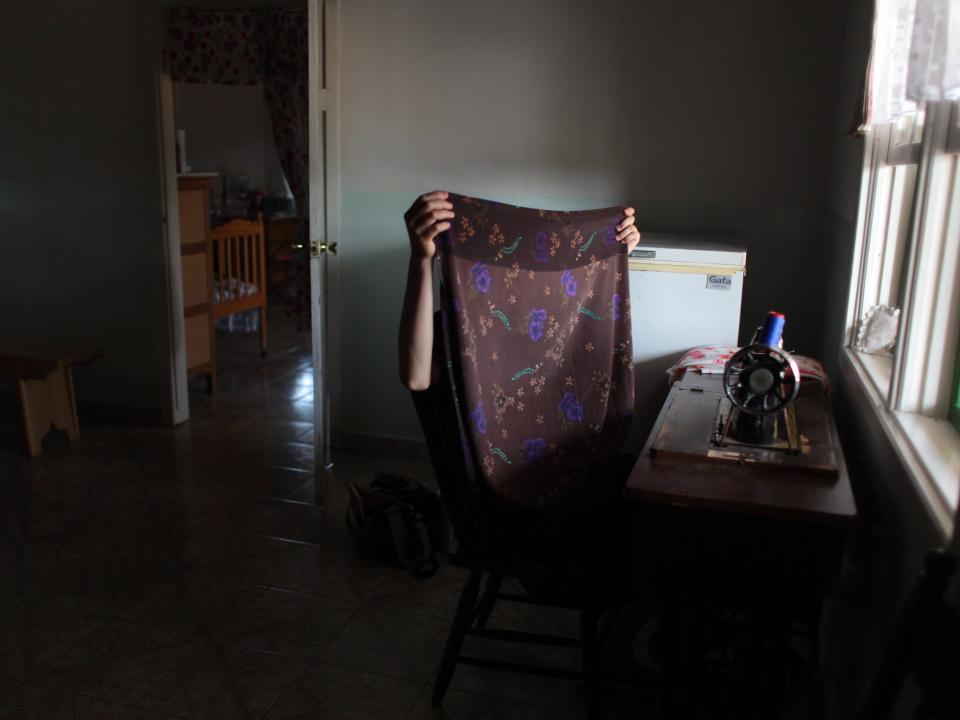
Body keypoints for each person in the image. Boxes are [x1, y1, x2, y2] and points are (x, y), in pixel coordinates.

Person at [399, 190, 641, 391]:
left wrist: (614, 256)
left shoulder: (553, 327)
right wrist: (421, 258)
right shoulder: (462, 329)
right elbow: (417, 378)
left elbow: (586, 310)